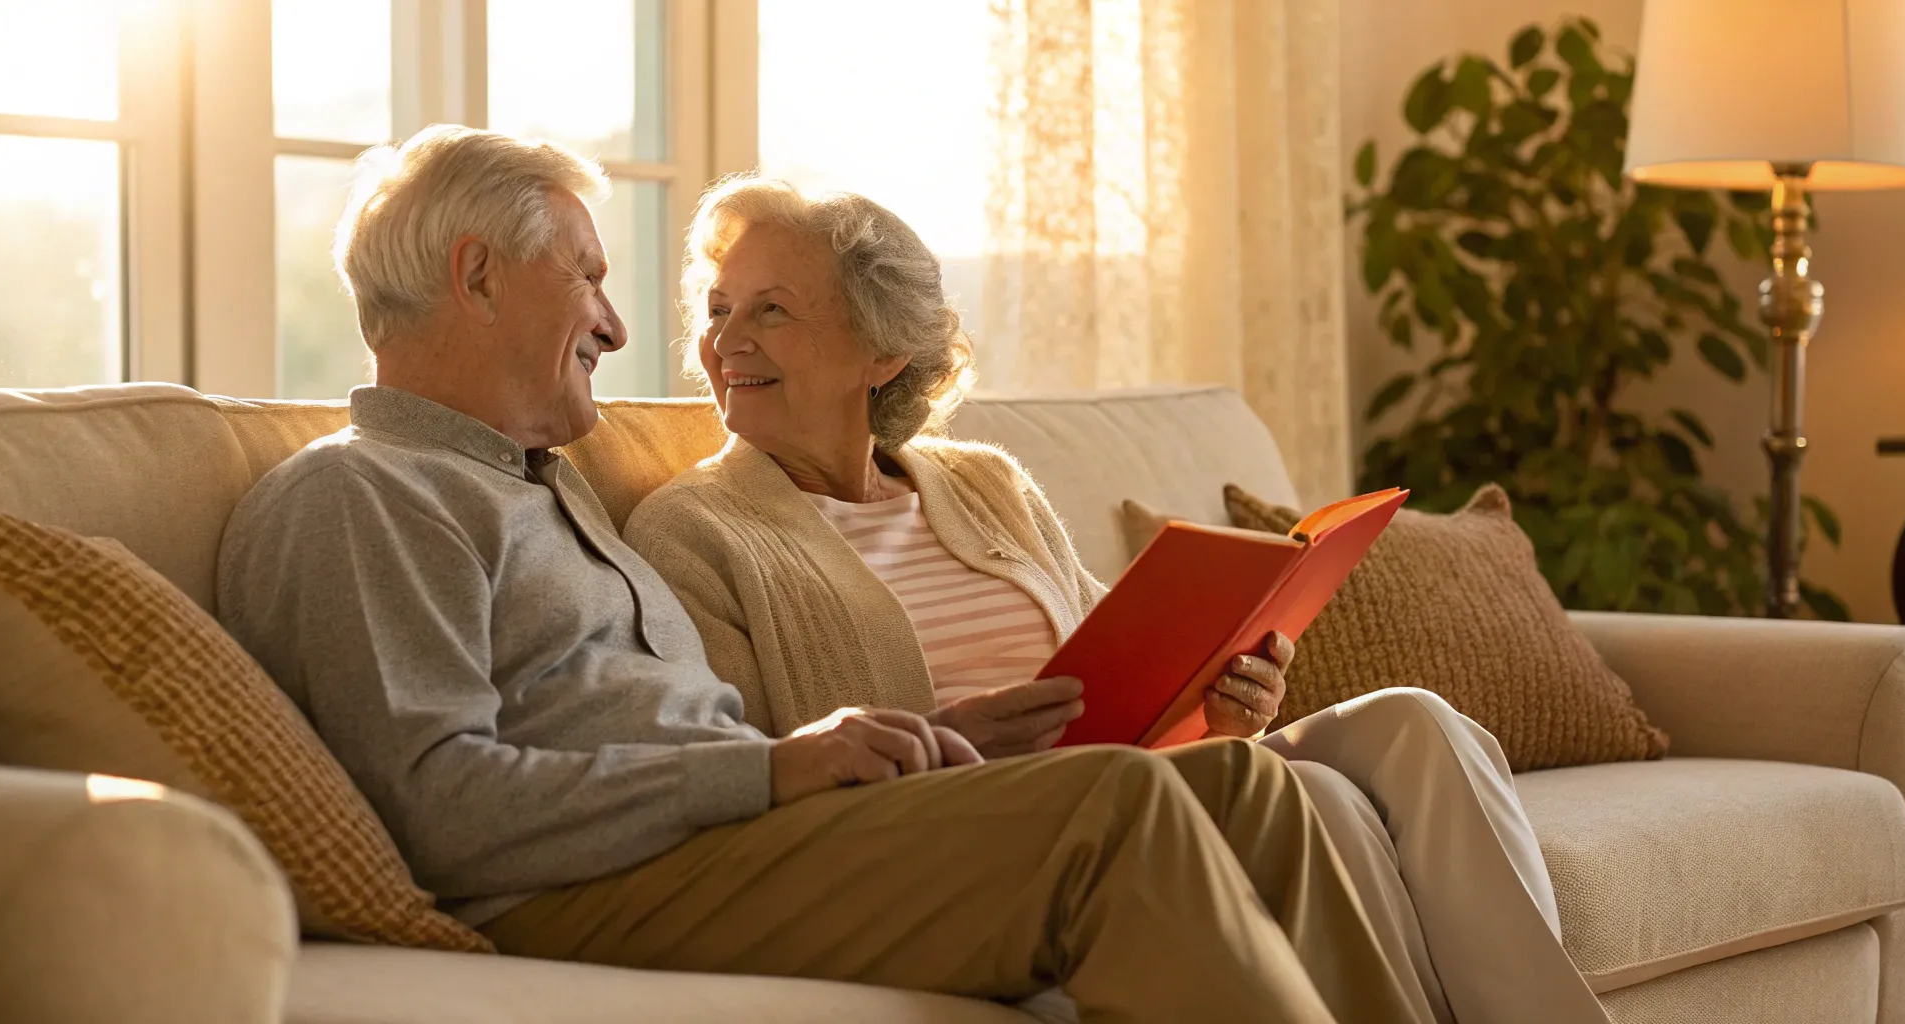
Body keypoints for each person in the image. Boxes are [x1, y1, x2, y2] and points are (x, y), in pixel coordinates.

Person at [216, 125, 1432, 1024]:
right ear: (477, 276)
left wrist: (856, 757)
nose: (617, 323)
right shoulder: (361, 496)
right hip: (592, 892)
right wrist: (771, 768)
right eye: (584, 275)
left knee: (1247, 791)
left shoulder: (537, 484)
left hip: (720, 844)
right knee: (1116, 805)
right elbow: (439, 813)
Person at [622, 175, 1611, 1024]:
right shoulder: (696, 529)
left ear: (882, 353)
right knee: (1314, 797)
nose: (724, 341)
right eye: (715, 308)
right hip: (999, 817)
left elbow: (1115, 643)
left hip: (1143, 766)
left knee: (1416, 724)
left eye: (769, 310)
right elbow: (748, 766)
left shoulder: (982, 482)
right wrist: (947, 732)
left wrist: (1222, 695)